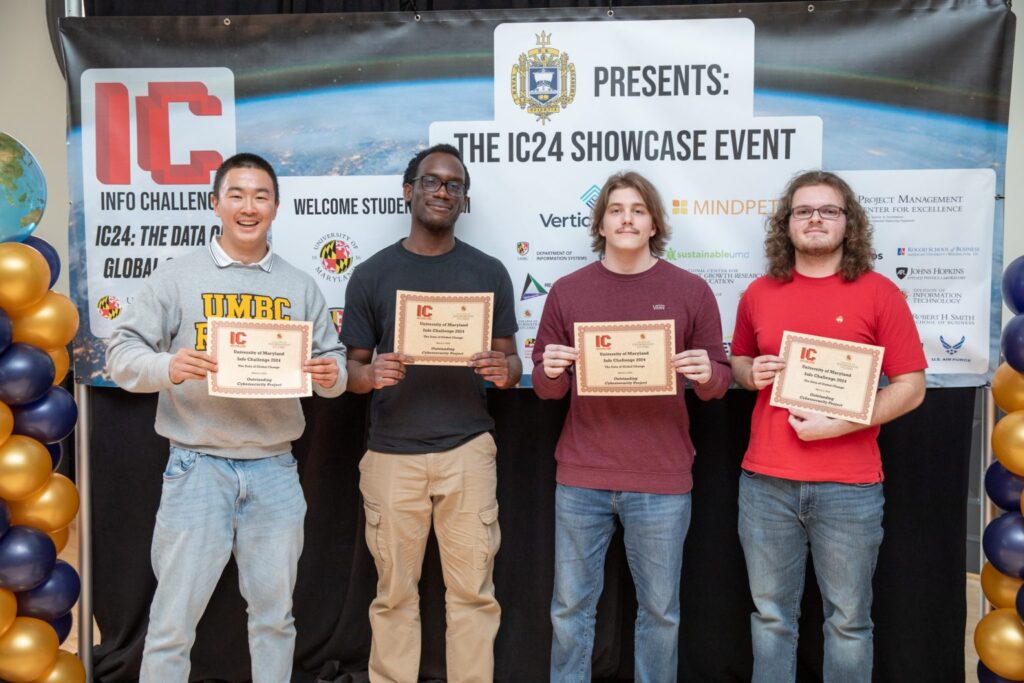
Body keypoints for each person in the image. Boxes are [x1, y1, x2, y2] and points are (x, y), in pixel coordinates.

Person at [106, 152, 346, 683]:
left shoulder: (300, 285)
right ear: (215, 203)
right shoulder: (175, 279)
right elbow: (121, 356)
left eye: (261, 196)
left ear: (277, 208)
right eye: (236, 194)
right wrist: (168, 365)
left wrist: (332, 376)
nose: (248, 206)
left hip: (275, 470)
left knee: (275, 621)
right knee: (171, 624)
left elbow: (336, 361)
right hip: (196, 468)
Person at [532, 171, 731, 683]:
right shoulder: (567, 291)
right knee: (570, 609)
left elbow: (718, 384)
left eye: (638, 210)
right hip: (581, 477)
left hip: (661, 479)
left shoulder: (690, 290)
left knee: (661, 613)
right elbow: (545, 388)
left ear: (653, 223)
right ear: (600, 222)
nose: (626, 218)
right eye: (616, 209)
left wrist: (709, 374)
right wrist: (551, 369)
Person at [730, 170, 927, 682]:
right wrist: (751, 373)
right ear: (787, 223)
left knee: (848, 623)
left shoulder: (881, 293)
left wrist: (840, 425)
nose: (815, 218)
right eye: (803, 210)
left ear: (849, 223)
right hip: (766, 485)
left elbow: (911, 386)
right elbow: (740, 364)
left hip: (851, 489)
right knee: (771, 619)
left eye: (828, 210)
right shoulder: (758, 292)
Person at [341, 143, 521, 683]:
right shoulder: (371, 274)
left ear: (463, 200)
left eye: (454, 185)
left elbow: (512, 362)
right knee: (394, 596)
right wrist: (371, 376)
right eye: (432, 181)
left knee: (472, 595)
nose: (443, 191)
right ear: (409, 191)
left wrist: (503, 369)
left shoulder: (489, 272)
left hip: (468, 451)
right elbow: (351, 371)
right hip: (392, 456)